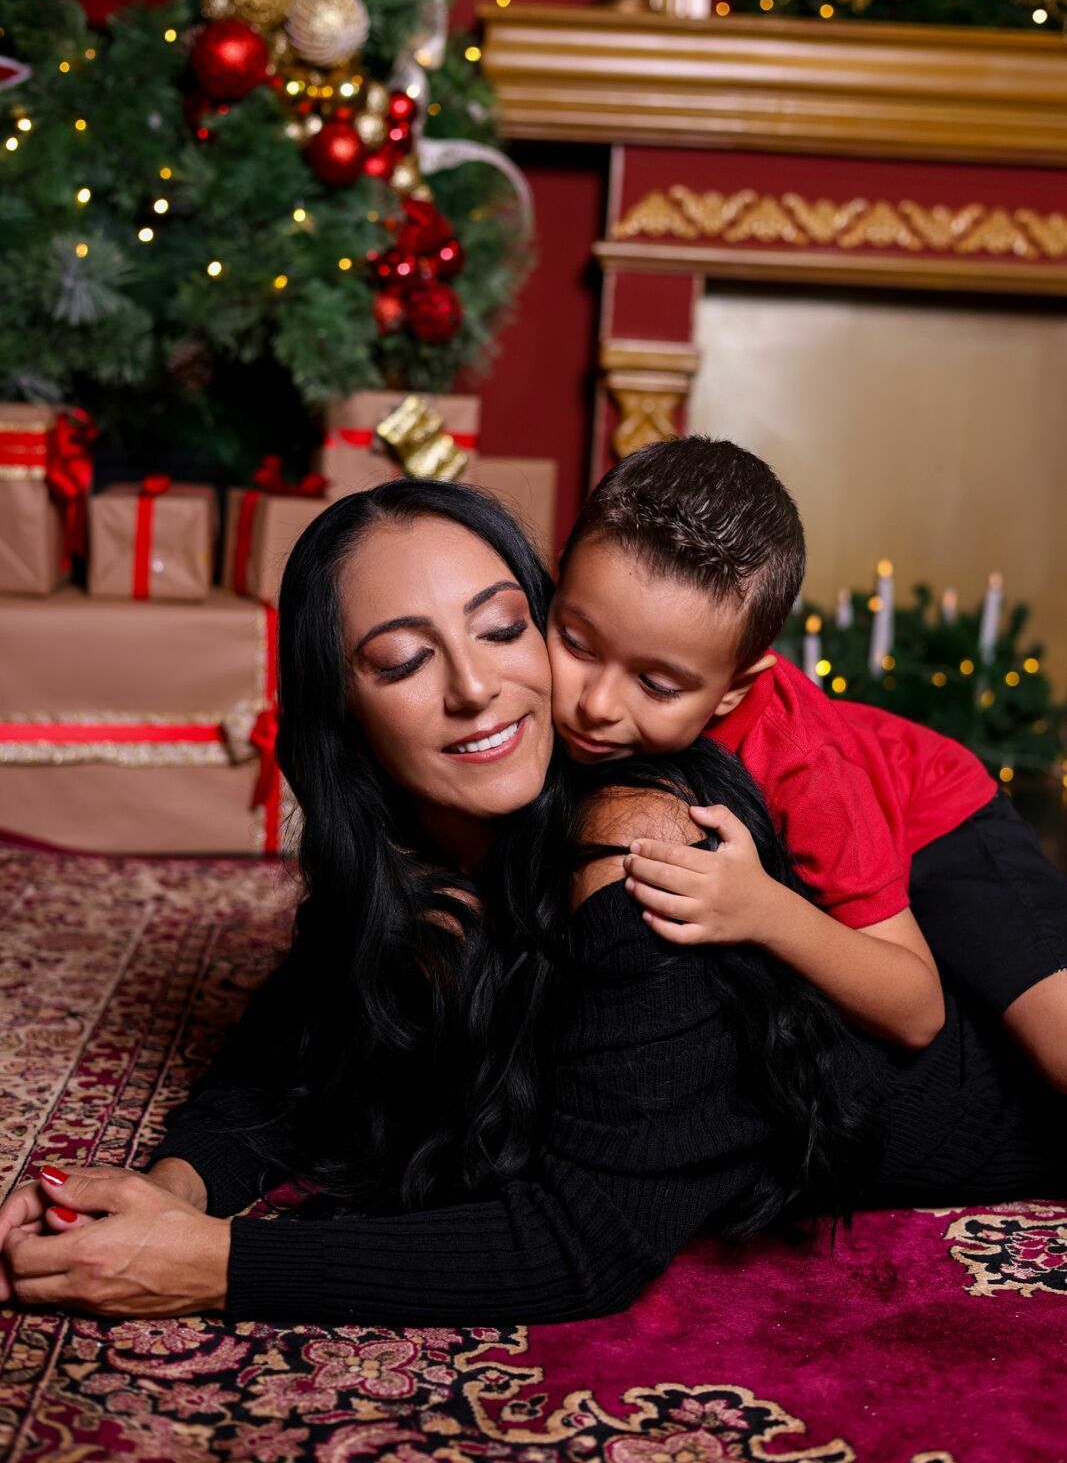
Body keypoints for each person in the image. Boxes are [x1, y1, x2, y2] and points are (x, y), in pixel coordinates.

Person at [1, 480, 1065, 1327]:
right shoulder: (411, 853)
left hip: (1012, 1108)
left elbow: (583, 1243)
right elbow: (292, 1058)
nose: (475, 688)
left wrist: (214, 1264)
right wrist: (172, 1190)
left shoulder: (639, 846)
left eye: (502, 628)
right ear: (341, 712)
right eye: (404, 661)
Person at [549, 437, 1067, 1087]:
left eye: (655, 685)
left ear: (734, 688)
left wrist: (765, 910)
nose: (595, 704)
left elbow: (916, 1009)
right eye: (576, 642)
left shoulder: (806, 767)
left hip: (939, 820)